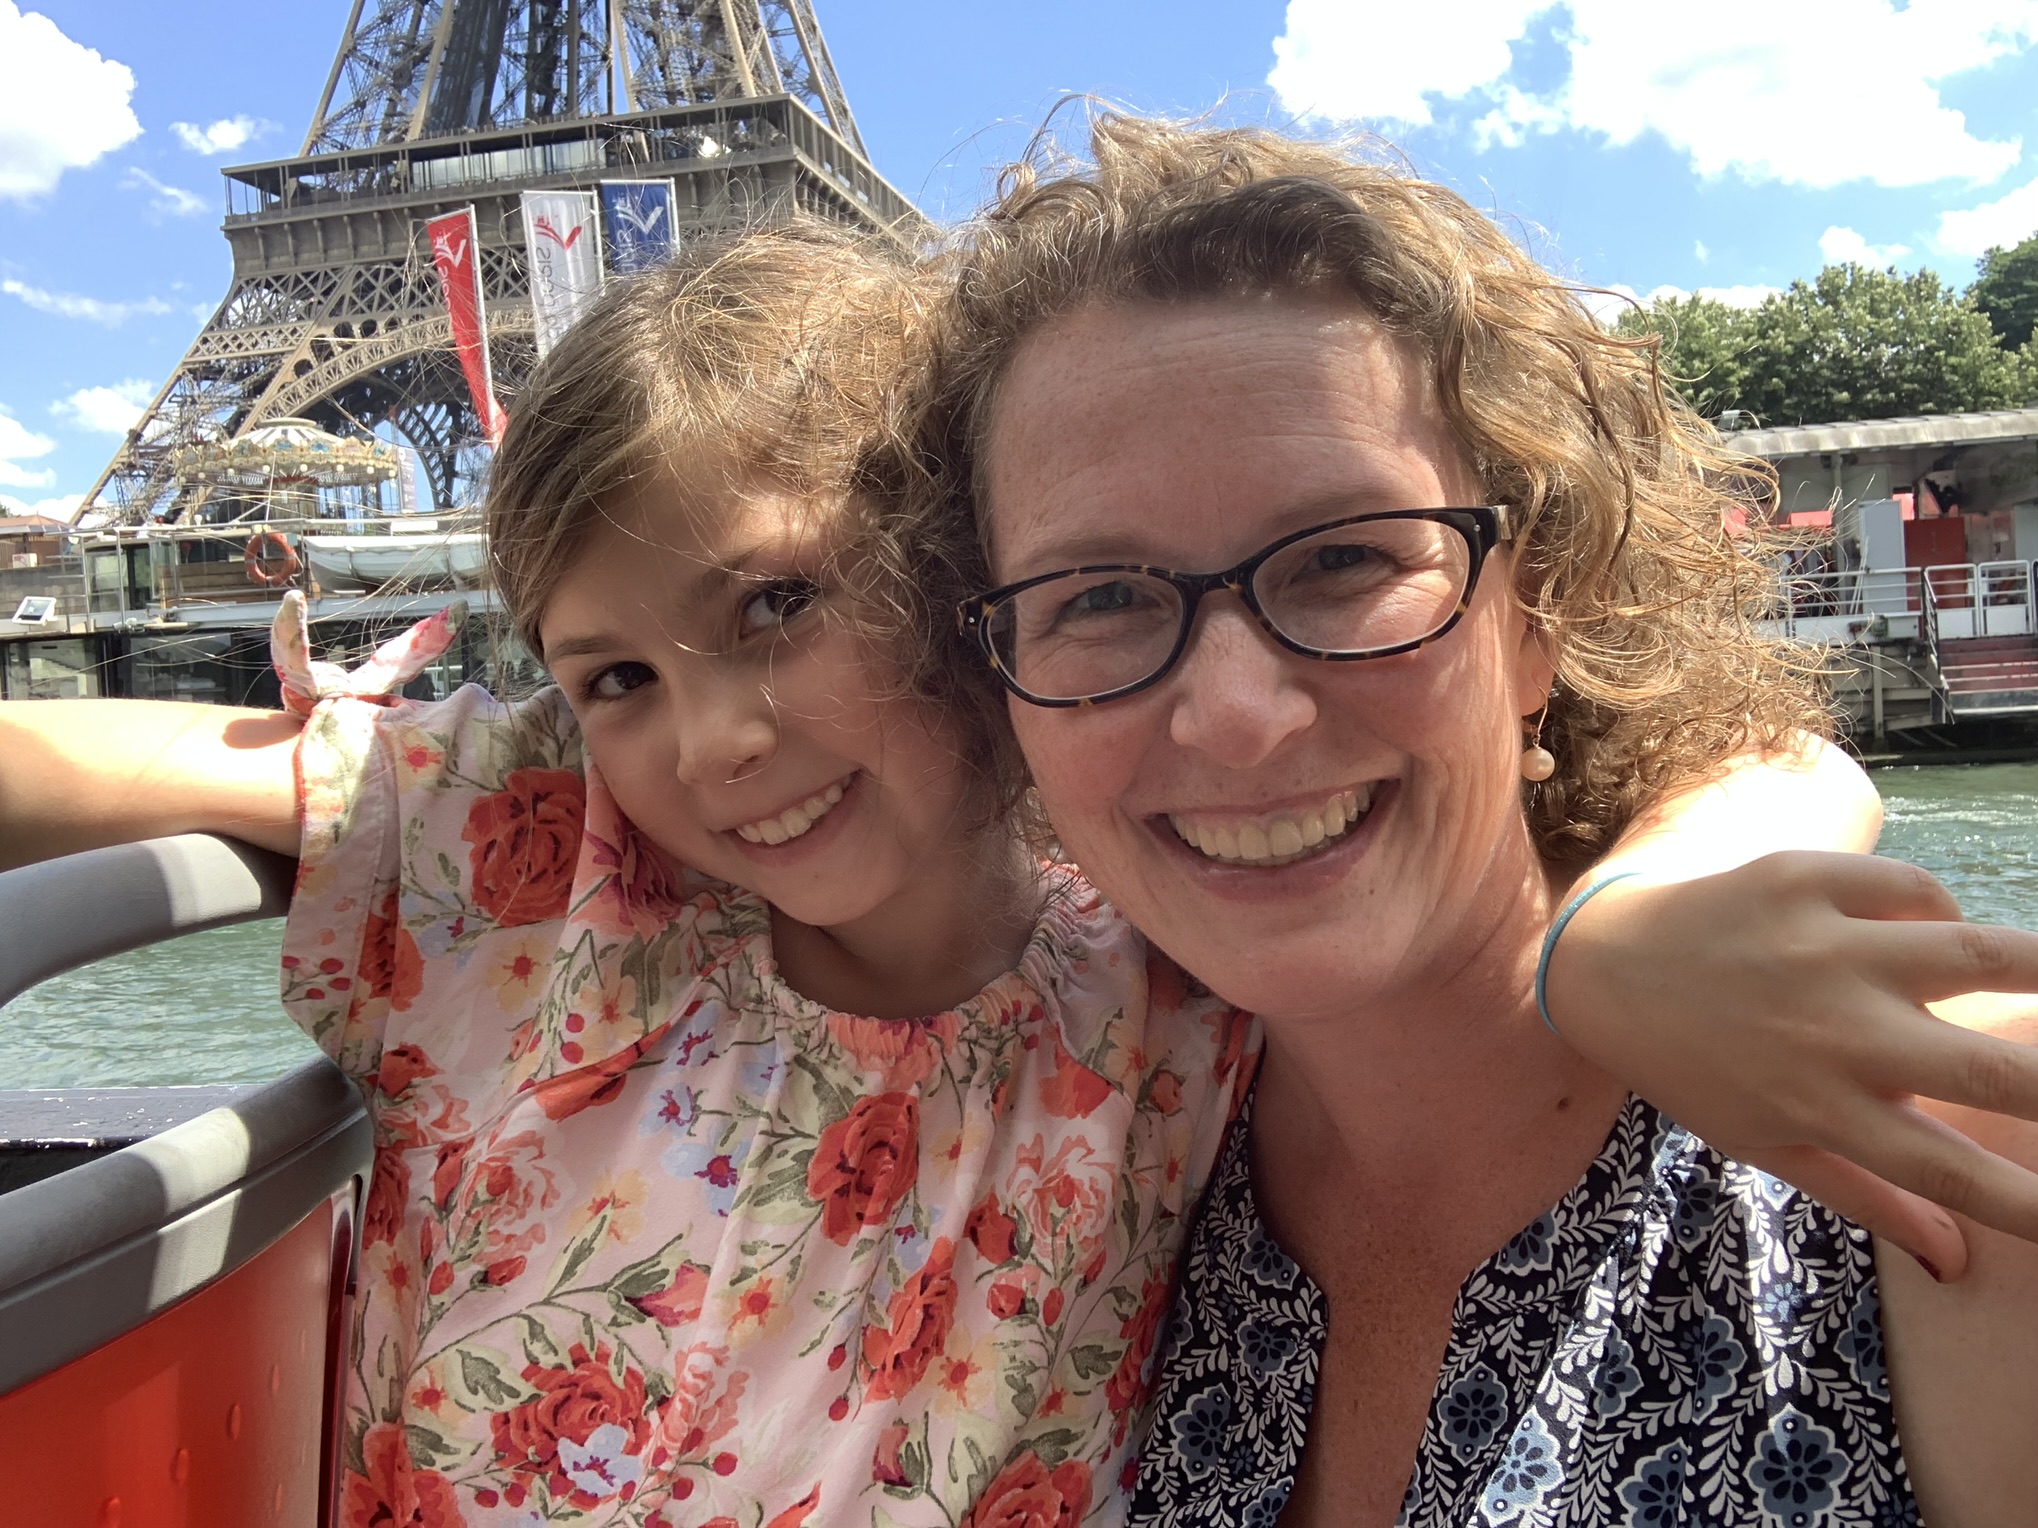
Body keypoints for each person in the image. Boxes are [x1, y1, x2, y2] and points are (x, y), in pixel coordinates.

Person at [0, 221, 2022, 1528]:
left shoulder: (1162, 962)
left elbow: (1722, 754)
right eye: (616, 676)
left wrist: (1643, 918)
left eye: (779, 606)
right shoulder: (547, 850)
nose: (714, 740)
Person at [923, 113, 2038, 1526]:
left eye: (1343, 559)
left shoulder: (1960, 1144)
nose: (1238, 714)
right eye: (1095, 596)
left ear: (1539, 614)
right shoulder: (1062, 1166)